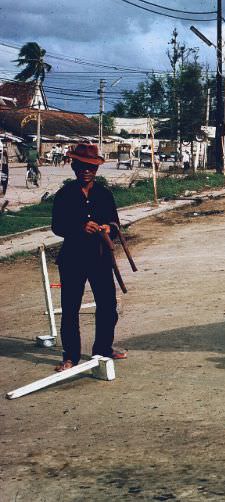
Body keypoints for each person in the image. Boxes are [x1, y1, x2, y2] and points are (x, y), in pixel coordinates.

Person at [51, 144, 127, 372]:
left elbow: (115, 224)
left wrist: (107, 228)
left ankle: (103, 348)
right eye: (82, 167)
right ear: (74, 167)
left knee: (107, 306)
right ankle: (71, 356)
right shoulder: (64, 195)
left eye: (91, 168)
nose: (86, 171)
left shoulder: (104, 194)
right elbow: (57, 226)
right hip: (72, 258)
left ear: (96, 170)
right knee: (70, 308)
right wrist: (79, 227)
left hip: (100, 257)